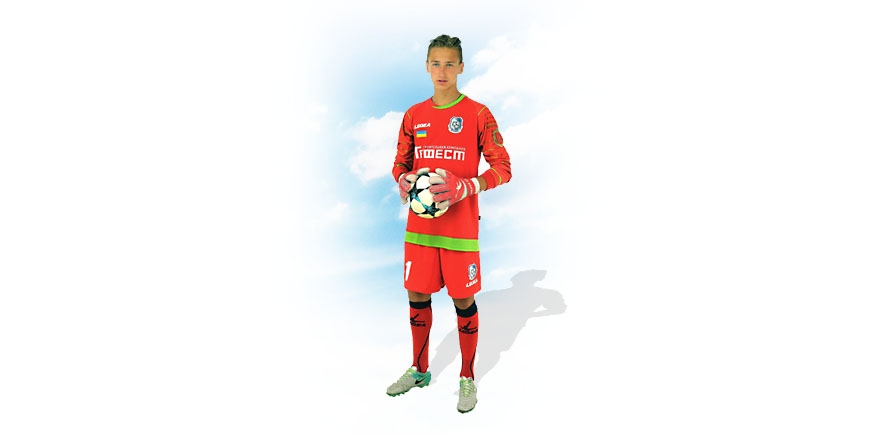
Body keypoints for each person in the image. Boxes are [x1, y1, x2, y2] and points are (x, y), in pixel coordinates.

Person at [385, 34, 512, 414]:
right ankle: (419, 370)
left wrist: (466, 186)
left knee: (463, 300)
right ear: (427, 66)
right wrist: (403, 180)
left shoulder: (478, 114)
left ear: (461, 67)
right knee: (416, 295)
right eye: (436, 63)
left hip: (460, 231)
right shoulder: (414, 115)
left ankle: (467, 377)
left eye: (449, 64)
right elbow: (399, 163)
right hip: (419, 230)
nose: (442, 71)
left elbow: (503, 168)